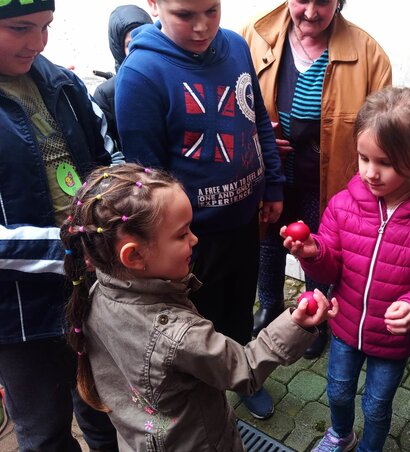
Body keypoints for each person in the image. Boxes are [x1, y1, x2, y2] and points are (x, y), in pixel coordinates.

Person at [60, 163, 338, 451]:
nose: (194, 239)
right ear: (133, 256)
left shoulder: (94, 296)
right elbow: (245, 370)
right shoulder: (179, 336)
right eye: (182, 235)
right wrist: (296, 324)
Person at [115, 0, 285, 419]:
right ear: (155, 4)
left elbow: (257, 118)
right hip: (191, 241)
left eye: (211, 10)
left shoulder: (236, 46)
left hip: (244, 222)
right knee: (198, 327)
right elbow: (148, 184)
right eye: (185, 15)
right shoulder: (140, 76)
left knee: (239, 306)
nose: (201, 26)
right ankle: (207, 402)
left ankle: (248, 376)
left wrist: (274, 182)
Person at [283, 86, 410, 451]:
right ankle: (340, 433)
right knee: (337, 389)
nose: (370, 173)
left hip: (393, 340)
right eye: (364, 158)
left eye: (385, 162)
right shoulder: (342, 204)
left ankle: (371, 446)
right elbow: (331, 267)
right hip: (345, 326)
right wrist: (311, 251)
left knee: (378, 405)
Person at [0, 1, 123, 451]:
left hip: (90, 288)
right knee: (44, 429)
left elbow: (105, 156)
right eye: (19, 28)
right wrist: (69, 251)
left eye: (46, 27)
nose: (37, 42)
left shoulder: (63, 83)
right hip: (17, 313)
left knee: (103, 408)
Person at [242, 0, 392, 360]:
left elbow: (382, 127)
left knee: (318, 246)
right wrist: (258, 138)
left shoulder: (369, 54)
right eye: (301, 0)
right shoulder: (253, 37)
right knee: (269, 242)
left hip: (327, 178)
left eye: (323, 1)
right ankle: (270, 305)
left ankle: (314, 315)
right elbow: (231, 107)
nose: (310, 12)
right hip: (272, 172)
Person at [93, 4, 153, 149]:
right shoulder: (106, 94)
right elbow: (106, 150)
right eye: (131, 45)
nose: (140, 50)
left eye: (145, 41)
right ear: (119, 50)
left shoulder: (169, 81)